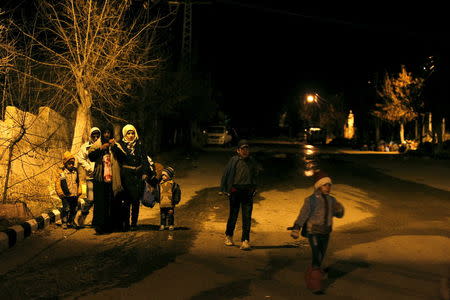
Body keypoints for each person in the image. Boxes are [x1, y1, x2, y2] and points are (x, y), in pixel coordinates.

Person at [290, 171, 344, 292]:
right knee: (317, 257)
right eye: (325, 185)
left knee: (320, 256)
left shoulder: (332, 200)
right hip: (313, 232)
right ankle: (315, 284)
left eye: (329, 185)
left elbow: (339, 214)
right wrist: (296, 228)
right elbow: (303, 215)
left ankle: (310, 274)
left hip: (326, 232)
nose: (328, 187)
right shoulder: (311, 200)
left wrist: (340, 210)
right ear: (318, 186)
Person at [220, 139, 260, 250]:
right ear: (238, 150)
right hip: (235, 191)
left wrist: (254, 187)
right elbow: (226, 174)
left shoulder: (252, 161)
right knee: (233, 215)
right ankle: (229, 236)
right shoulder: (233, 161)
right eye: (243, 149)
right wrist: (225, 189)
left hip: (247, 192)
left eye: (247, 148)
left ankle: (245, 241)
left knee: (247, 217)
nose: (245, 151)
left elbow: (255, 175)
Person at [112, 124, 152, 231]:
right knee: (126, 200)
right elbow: (119, 158)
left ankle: (134, 223)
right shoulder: (120, 145)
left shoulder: (139, 145)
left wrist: (145, 173)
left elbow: (144, 160)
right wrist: (114, 147)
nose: (130, 135)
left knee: (135, 200)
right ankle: (126, 223)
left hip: (138, 175)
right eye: (128, 133)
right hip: (126, 175)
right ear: (125, 134)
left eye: (132, 133)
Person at [88, 125, 122, 234]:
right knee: (100, 203)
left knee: (111, 202)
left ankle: (111, 226)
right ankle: (100, 226)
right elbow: (91, 157)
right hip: (100, 179)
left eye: (108, 132)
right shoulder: (97, 144)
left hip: (112, 178)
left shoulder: (115, 144)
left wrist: (114, 147)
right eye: (105, 133)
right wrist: (101, 149)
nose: (107, 135)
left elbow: (122, 157)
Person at [75, 127, 101, 227]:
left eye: (97, 135)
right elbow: (80, 158)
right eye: (93, 135)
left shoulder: (102, 145)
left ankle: (96, 221)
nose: (95, 137)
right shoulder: (85, 147)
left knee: (99, 200)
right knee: (90, 199)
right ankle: (79, 216)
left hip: (101, 176)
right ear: (90, 135)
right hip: (91, 176)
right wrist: (89, 168)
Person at [56, 151, 82, 229]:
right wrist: (60, 192)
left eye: (72, 163)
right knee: (66, 208)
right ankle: (64, 221)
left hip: (74, 194)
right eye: (69, 163)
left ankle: (70, 221)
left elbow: (78, 181)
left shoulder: (75, 171)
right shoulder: (62, 172)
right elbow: (57, 183)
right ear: (65, 163)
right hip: (66, 195)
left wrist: (79, 190)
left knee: (74, 208)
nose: (71, 165)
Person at [155, 167, 181, 231]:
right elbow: (157, 192)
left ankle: (171, 225)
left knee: (170, 214)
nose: (163, 177)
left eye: (165, 175)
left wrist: (175, 201)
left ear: (169, 176)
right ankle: (162, 225)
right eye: (162, 175)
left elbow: (177, 193)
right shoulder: (159, 184)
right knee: (162, 215)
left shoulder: (173, 185)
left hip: (170, 203)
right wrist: (157, 199)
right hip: (162, 203)